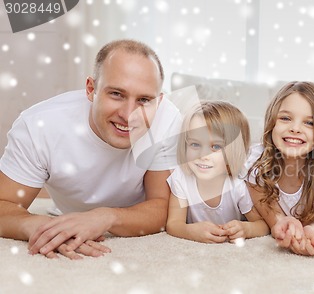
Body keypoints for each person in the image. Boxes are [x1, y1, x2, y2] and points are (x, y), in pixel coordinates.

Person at [0, 39, 181, 259]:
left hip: (134, 218)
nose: (128, 114)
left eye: (144, 100)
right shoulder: (38, 126)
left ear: (159, 102)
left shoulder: (168, 119)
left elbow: (162, 207)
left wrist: (106, 217)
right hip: (66, 214)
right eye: (116, 94)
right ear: (91, 89)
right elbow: (4, 205)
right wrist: (38, 225)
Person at [245, 81, 314, 256]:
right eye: (285, 118)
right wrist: (284, 228)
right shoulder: (256, 164)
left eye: (309, 123)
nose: (295, 128)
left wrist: (311, 233)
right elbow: (275, 220)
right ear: (271, 123)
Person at [166, 101, 269, 243]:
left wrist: (246, 229)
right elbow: (173, 224)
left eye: (215, 146)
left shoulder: (238, 185)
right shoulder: (181, 178)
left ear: (235, 150)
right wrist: (191, 231)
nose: (203, 155)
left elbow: (263, 225)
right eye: (195, 144)